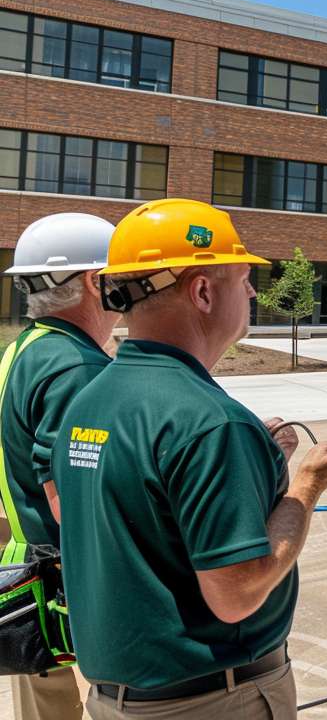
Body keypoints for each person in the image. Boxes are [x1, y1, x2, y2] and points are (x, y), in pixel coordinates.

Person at [52, 199, 327, 719]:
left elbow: (129, 506)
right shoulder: (211, 422)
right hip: (210, 700)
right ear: (203, 291)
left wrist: (242, 470)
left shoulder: (91, 400)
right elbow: (237, 593)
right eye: (244, 278)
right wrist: (309, 485)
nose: (252, 292)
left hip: (119, 699)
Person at [0, 213, 117, 720]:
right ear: (95, 282)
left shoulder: (22, 350)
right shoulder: (78, 366)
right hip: (74, 578)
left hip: (26, 567)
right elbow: (77, 497)